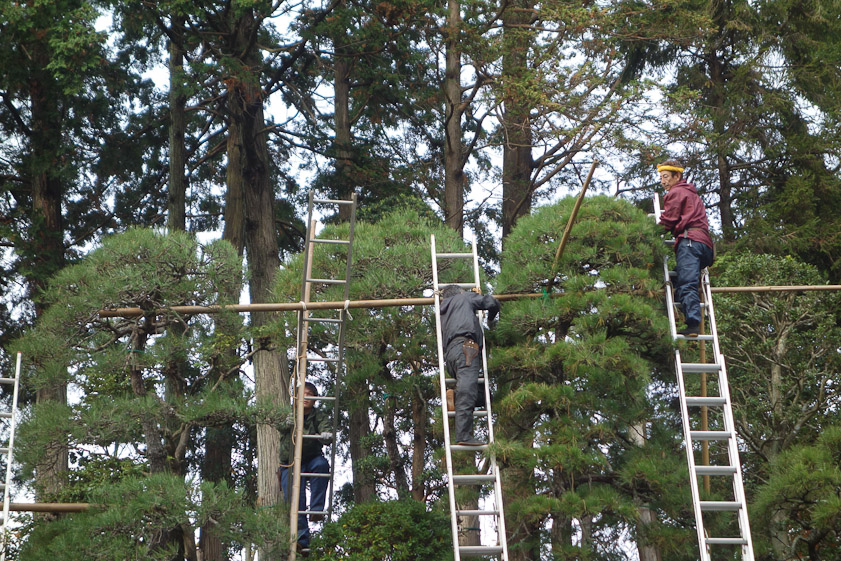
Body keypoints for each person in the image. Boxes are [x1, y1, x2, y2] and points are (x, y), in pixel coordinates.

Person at [657, 159, 715, 337]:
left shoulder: (676, 193)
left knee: (686, 283)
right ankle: (680, 309)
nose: (663, 181)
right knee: (680, 280)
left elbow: (670, 218)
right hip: (704, 244)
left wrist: (652, 232)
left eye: (666, 176)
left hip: (690, 241)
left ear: (677, 176)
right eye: (661, 177)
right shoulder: (692, 194)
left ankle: (692, 323)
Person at [439, 285, 500, 445]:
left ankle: (456, 397)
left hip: (451, 357)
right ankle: (463, 435)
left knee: (484, 396)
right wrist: (491, 318)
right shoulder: (464, 297)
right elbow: (491, 302)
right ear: (460, 292)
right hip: (466, 349)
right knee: (468, 391)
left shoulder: (443, 311)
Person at [279, 382, 332, 549]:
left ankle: (316, 510)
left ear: (314, 399)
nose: (306, 397)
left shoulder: (319, 416)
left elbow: (327, 430)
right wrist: (286, 424)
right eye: (303, 393)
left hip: (311, 458)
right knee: (295, 498)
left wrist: (326, 436)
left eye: (310, 394)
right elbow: (279, 425)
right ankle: (301, 540)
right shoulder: (290, 413)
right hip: (291, 461)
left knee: (322, 465)